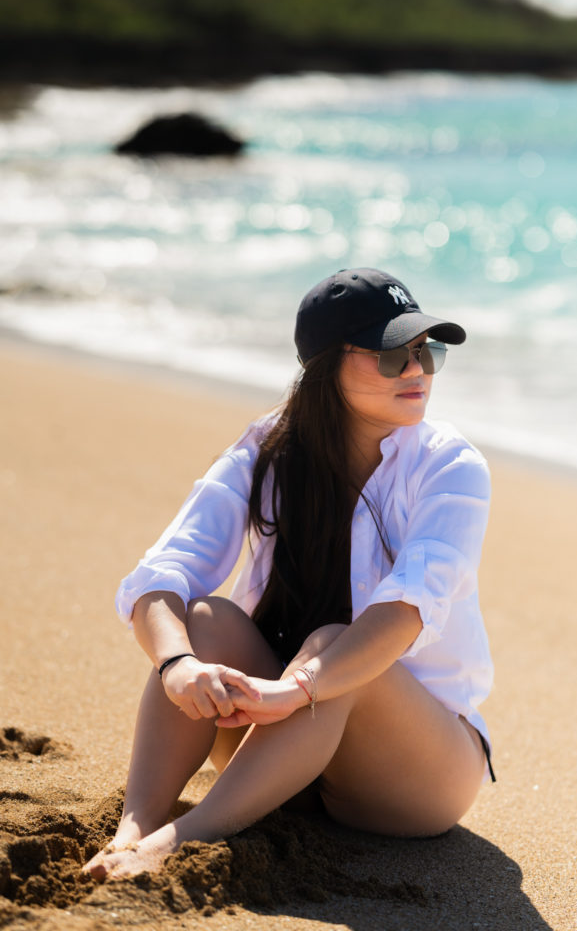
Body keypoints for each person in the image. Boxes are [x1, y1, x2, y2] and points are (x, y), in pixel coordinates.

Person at [83, 267, 495, 882]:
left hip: (415, 774)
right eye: (392, 355)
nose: (417, 371)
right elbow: (160, 576)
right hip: (280, 755)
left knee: (336, 643)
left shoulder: (450, 467)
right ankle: (134, 829)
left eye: (426, 351)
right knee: (204, 621)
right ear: (327, 366)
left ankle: (180, 839)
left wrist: (294, 691)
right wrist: (177, 666)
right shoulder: (265, 450)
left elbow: (405, 611)